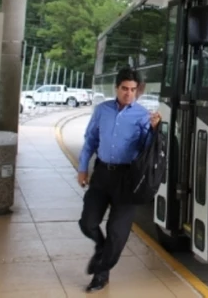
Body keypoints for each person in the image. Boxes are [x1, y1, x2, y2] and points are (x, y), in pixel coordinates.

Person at [77, 67, 161, 292]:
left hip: (128, 179)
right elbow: (90, 140)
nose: (128, 93)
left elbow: (146, 150)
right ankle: (101, 248)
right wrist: (82, 168)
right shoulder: (102, 110)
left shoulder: (143, 115)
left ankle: (101, 273)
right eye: (125, 88)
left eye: (133, 90)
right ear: (116, 88)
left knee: (117, 233)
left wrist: (154, 130)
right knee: (87, 223)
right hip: (102, 173)